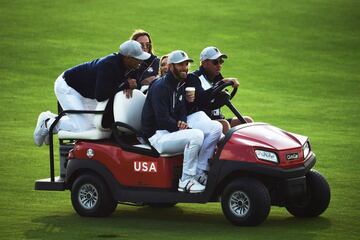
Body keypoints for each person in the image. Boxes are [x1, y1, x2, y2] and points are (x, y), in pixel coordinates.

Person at [33, 40, 150, 147]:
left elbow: (135, 83)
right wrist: (125, 85)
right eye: (138, 58)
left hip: (87, 91)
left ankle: (53, 121)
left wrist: (131, 85)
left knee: (93, 124)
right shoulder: (108, 65)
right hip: (68, 87)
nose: (141, 61)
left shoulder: (133, 66)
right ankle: (48, 122)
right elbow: (101, 96)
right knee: (82, 128)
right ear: (127, 58)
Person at [141, 50, 222, 193]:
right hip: (157, 136)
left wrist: (183, 121)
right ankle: (186, 180)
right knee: (196, 135)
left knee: (216, 127)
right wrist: (180, 127)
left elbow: (181, 110)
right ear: (171, 67)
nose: (184, 68)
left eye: (186, 64)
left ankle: (200, 171)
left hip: (168, 130)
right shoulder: (160, 87)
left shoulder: (178, 84)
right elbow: (162, 119)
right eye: (180, 65)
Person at [186, 46, 253, 133]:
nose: (219, 65)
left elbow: (221, 97)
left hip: (217, 118)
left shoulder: (216, 77)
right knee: (224, 125)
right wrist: (221, 83)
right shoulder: (194, 78)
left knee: (247, 121)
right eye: (215, 62)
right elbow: (202, 99)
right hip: (202, 122)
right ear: (204, 63)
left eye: (221, 61)